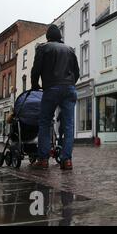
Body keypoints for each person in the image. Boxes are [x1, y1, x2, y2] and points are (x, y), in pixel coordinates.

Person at [31, 25, 80, 170]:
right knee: (69, 125)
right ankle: (67, 160)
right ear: (60, 37)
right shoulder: (70, 50)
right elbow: (76, 72)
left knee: (45, 122)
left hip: (51, 88)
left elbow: (36, 70)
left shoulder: (43, 48)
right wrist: (70, 83)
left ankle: (44, 159)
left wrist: (35, 85)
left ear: (48, 37)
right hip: (69, 89)